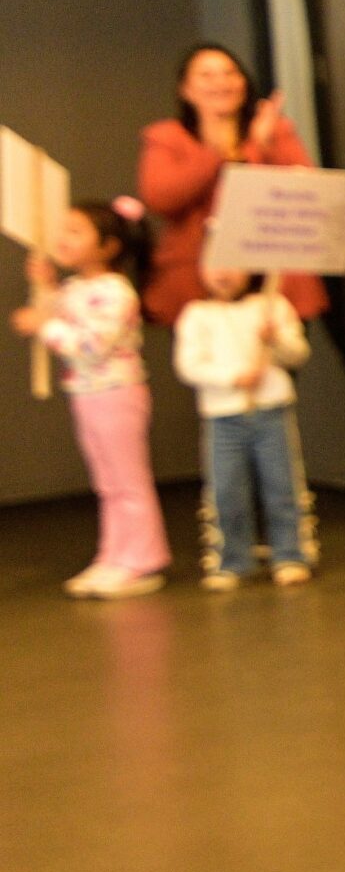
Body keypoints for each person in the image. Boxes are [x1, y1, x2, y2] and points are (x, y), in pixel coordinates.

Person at [15, 197, 169, 599]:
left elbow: (90, 346)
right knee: (108, 483)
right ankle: (114, 556)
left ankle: (142, 560)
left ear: (108, 246)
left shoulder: (117, 292)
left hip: (117, 393)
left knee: (128, 481)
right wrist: (45, 287)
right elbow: (57, 314)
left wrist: (44, 326)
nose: (63, 238)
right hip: (87, 394)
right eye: (63, 230)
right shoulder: (76, 288)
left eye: (75, 231)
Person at [136, 44, 326, 327]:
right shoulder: (167, 137)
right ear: (185, 90)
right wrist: (216, 155)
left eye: (230, 73)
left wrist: (263, 146)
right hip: (195, 281)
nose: (221, 82)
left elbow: (305, 196)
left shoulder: (274, 130)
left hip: (273, 278)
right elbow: (160, 198)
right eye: (206, 75)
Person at [175, 268, 316, 591]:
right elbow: (189, 365)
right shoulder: (197, 314)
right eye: (214, 265)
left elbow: (298, 354)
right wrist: (233, 378)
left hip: (271, 411)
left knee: (282, 486)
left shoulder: (272, 305)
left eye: (232, 265)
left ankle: (290, 556)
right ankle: (233, 561)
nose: (223, 274)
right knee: (226, 490)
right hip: (222, 417)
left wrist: (275, 339)